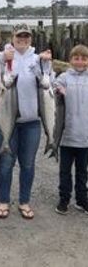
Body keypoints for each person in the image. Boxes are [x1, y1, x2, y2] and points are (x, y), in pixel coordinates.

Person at [0, 23, 52, 220]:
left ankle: (24, 201)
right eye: (19, 36)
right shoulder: (2, 57)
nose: (23, 39)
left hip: (31, 121)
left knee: (27, 164)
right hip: (5, 119)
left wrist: (46, 63)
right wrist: (0, 57)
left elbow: (48, 82)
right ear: (12, 37)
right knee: (6, 161)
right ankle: (3, 200)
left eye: (26, 36)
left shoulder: (38, 59)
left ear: (31, 39)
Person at [54, 44, 88, 215]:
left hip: (85, 138)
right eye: (76, 58)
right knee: (65, 172)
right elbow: (53, 85)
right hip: (67, 136)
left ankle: (82, 200)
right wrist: (58, 89)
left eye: (83, 58)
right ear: (70, 60)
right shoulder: (64, 77)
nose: (80, 62)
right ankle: (64, 199)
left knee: (83, 172)